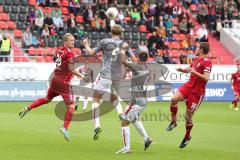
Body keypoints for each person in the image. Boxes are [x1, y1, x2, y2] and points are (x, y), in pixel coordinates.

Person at [19, 33, 84, 141]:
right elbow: (72, 69)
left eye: (73, 40)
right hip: (63, 83)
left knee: (47, 99)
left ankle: (28, 108)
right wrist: (81, 76)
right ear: (66, 41)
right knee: (72, 106)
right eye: (71, 40)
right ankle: (64, 128)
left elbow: (60, 63)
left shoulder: (59, 50)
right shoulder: (70, 53)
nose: (73, 42)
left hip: (54, 80)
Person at [82, 24, 137, 140]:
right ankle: (121, 114)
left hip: (105, 75)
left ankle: (97, 125)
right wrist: (127, 67)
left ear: (111, 32)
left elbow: (91, 53)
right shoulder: (125, 44)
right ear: (121, 33)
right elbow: (135, 60)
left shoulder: (104, 41)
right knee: (114, 97)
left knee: (95, 99)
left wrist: (86, 44)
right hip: (117, 77)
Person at [166, 43, 212, 148]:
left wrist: (194, 72)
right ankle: (173, 122)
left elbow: (206, 78)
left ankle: (187, 136)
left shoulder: (207, 62)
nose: (195, 49)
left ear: (201, 50)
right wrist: (183, 70)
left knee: (188, 117)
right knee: (173, 99)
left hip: (197, 92)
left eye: (197, 48)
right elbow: (190, 68)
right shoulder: (196, 59)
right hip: (188, 86)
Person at [116, 46, 153, 154]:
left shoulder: (136, 66)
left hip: (136, 100)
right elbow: (133, 59)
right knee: (134, 119)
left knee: (124, 122)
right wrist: (129, 49)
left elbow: (123, 61)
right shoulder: (145, 66)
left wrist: (123, 50)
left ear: (138, 57)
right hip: (142, 100)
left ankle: (126, 148)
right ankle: (146, 139)